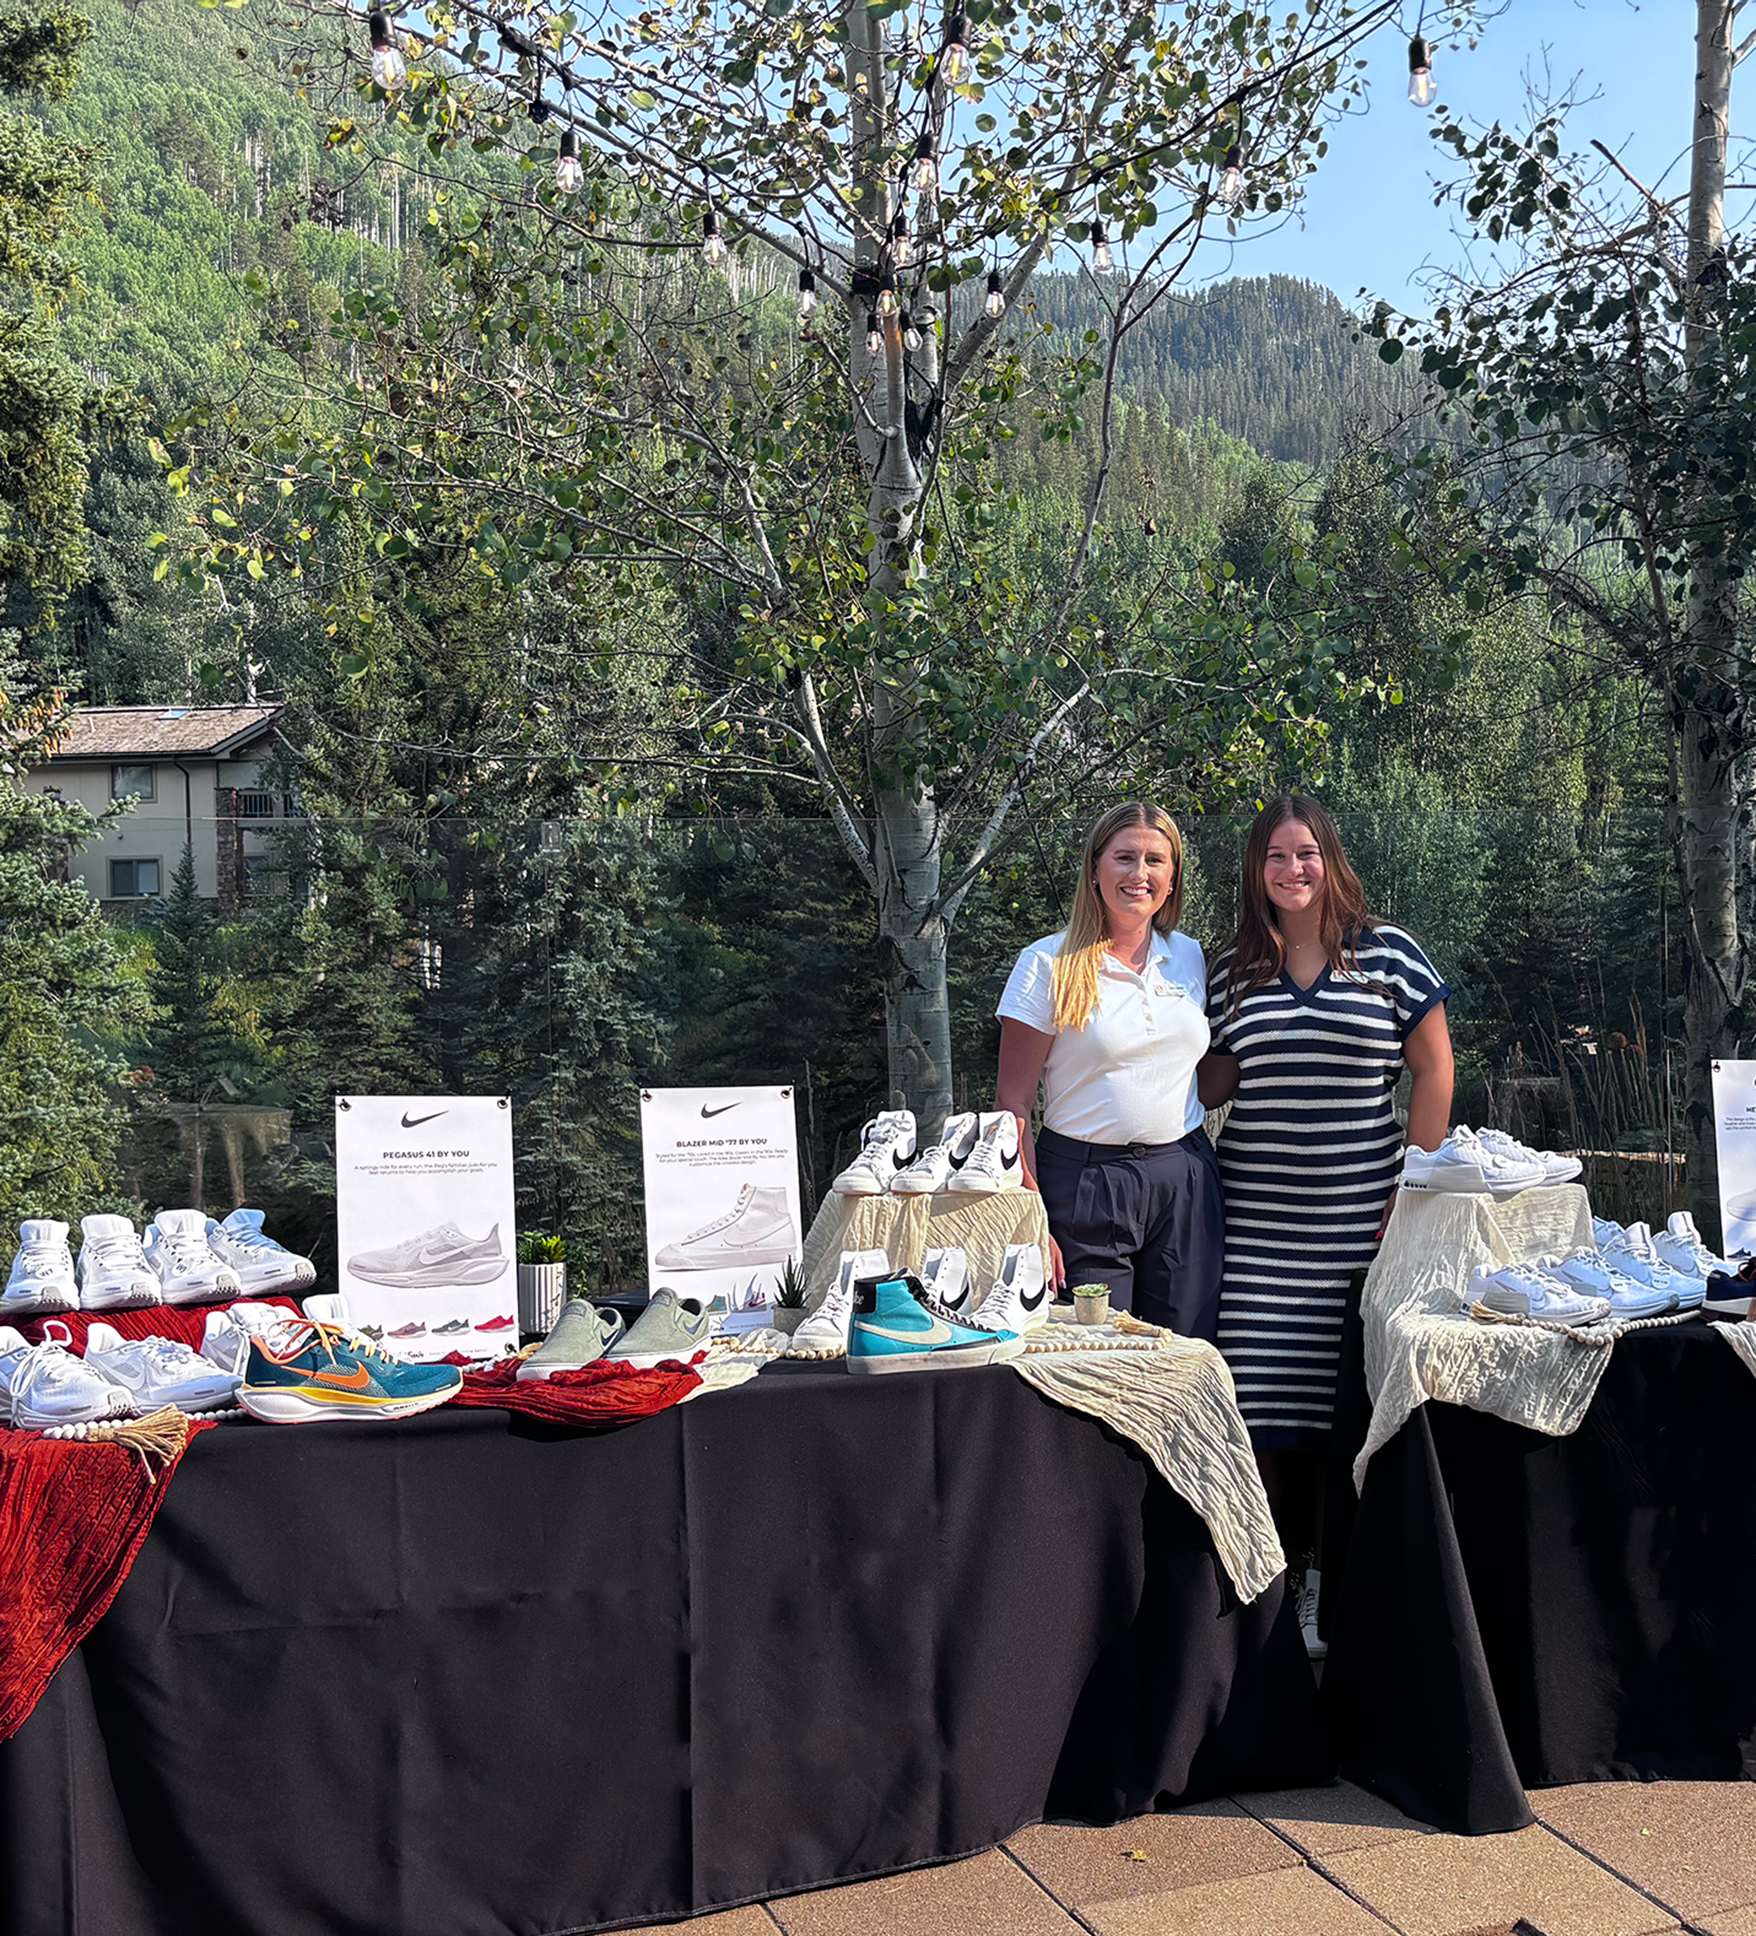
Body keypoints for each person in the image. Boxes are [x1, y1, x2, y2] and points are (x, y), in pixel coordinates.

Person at [1199, 796, 1454, 1631]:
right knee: (1256, 1412)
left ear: (1330, 858)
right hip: (1253, 1231)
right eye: (1275, 856)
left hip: (1361, 1227)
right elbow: (1206, 1081)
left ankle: (1324, 1586)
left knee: (1338, 1415)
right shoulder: (1230, 970)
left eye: (1305, 853)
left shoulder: (1389, 954)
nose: (1292, 869)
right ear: (1256, 871)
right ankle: (1267, 1588)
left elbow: (1435, 1071)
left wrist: (1415, 1185)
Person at [994, 801, 1224, 1339]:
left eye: (1155, 860)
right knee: (1094, 1355)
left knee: (1183, 1356)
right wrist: (1030, 1216)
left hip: (1186, 1183)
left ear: (1173, 878)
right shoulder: (1046, 964)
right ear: (1095, 868)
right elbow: (1012, 1104)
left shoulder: (1190, 957)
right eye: (1124, 857)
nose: (1139, 873)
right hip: (1084, 1190)